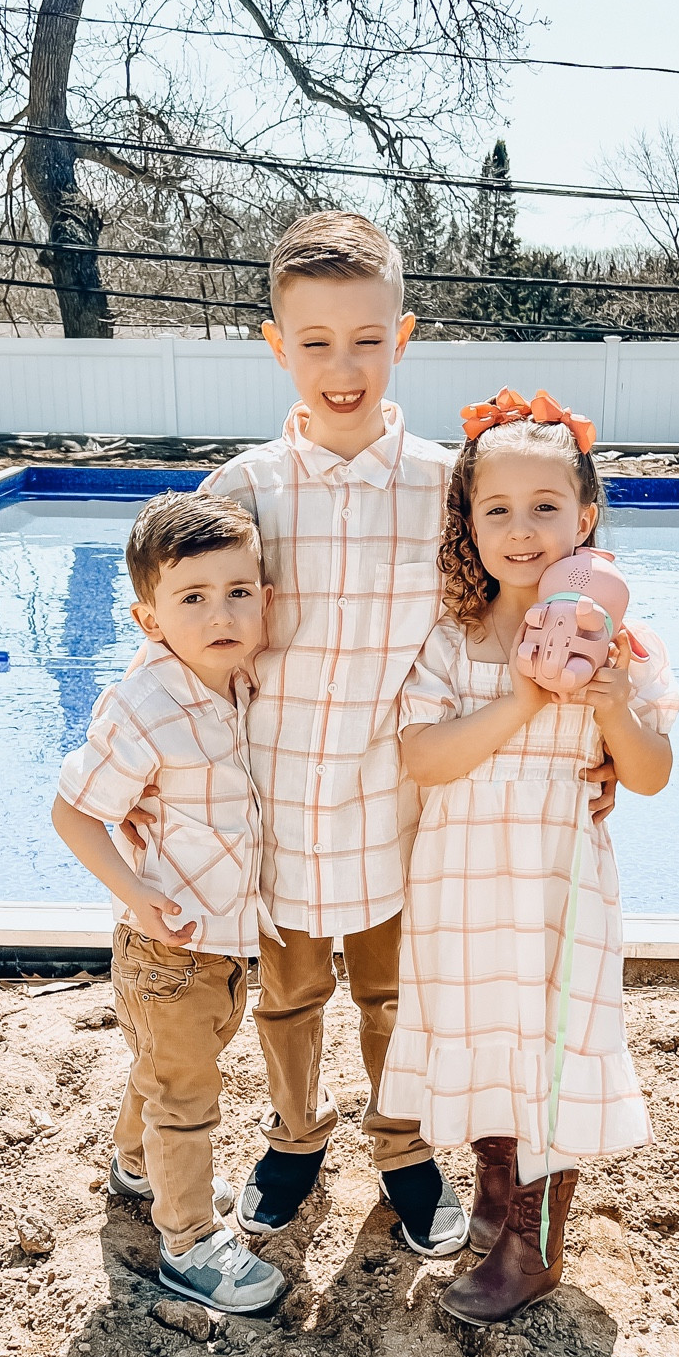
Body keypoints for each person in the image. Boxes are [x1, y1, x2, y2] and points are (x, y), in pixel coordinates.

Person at [199, 210, 470, 1256]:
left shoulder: (449, 491)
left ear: (404, 334)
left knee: (396, 996)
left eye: (365, 339)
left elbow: (490, 642)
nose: (341, 365)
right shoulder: (243, 490)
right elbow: (195, 651)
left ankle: (403, 1143)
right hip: (277, 810)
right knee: (290, 994)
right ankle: (298, 1135)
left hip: (402, 811)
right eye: (314, 342)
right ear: (277, 345)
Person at [379, 390, 679, 1322]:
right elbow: (421, 756)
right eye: (496, 510)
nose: (521, 531)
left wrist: (608, 708)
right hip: (462, 881)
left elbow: (654, 773)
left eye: (545, 508)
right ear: (467, 524)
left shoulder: (621, 646)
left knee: (551, 1047)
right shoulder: (452, 637)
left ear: (586, 517)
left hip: (558, 884)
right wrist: (519, 700)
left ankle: (536, 1242)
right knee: (484, 1038)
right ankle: (498, 1190)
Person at [51, 492, 288, 1315]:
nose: (220, 613)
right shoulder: (146, 705)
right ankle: (188, 1242)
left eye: (238, 591)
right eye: (192, 598)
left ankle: (134, 1163)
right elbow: (74, 812)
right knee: (187, 1095)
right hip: (167, 943)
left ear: (265, 598)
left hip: (222, 937)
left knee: (167, 1066)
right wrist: (138, 894)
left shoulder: (242, 682)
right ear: (148, 617)